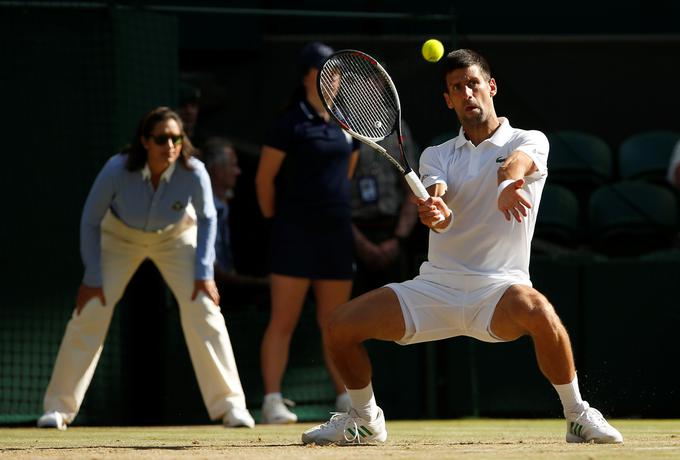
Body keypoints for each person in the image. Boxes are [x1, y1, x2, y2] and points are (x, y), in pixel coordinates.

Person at [301, 49, 623, 445]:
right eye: (456, 87)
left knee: (540, 310)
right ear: (448, 100)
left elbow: (515, 165)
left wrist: (507, 185)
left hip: (499, 290)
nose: (467, 92)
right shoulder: (436, 155)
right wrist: (436, 212)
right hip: (435, 289)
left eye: (473, 83)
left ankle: (577, 414)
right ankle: (366, 419)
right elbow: (441, 201)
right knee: (338, 326)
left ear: (490, 87)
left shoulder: (529, 140)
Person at [37, 107, 255, 430]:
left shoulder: (194, 171)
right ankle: (58, 409)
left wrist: (204, 273)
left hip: (176, 236)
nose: (170, 145)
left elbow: (208, 218)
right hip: (120, 237)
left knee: (204, 307)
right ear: (145, 141)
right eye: (162, 138)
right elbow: (90, 219)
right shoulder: (116, 169)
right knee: (91, 309)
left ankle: (232, 406)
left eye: (176, 138)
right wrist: (92, 277)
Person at [255, 41, 359, 424]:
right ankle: (271, 401)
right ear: (305, 77)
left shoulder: (348, 124)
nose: (332, 79)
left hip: (334, 236)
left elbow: (346, 174)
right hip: (293, 234)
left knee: (334, 322)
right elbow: (264, 181)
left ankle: (346, 399)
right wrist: (280, 223)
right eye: (323, 71)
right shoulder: (289, 123)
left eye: (335, 73)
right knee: (283, 319)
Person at [351, 119, 419, 296]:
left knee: (397, 310)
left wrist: (398, 239)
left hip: (392, 235)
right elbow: (331, 195)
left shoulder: (396, 125)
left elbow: (413, 189)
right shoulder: (337, 124)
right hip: (352, 235)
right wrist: (359, 243)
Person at [201, 137, 269, 306]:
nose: (238, 171)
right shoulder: (202, 213)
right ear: (217, 170)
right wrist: (264, 284)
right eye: (233, 165)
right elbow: (214, 274)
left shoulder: (228, 208)